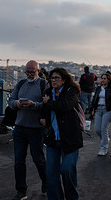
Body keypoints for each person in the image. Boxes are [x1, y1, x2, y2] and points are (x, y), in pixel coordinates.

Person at [40, 68, 83, 200]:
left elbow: (64, 106)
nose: (53, 80)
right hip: (53, 137)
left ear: (64, 79)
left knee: (67, 170)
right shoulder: (48, 92)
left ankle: (72, 197)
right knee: (51, 173)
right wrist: (42, 119)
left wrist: (49, 102)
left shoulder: (71, 92)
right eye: (51, 78)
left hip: (70, 138)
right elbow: (44, 110)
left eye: (56, 78)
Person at [8, 60, 48, 200]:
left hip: (36, 129)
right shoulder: (20, 84)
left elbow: (46, 105)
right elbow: (11, 101)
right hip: (19, 127)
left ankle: (46, 181)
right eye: (28, 72)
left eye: (32, 72)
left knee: (38, 158)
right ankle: (21, 191)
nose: (30, 74)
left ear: (38, 71)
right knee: (19, 161)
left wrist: (33, 105)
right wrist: (17, 104)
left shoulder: (43, 84)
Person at [90, 73, 111, 156]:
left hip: (107, 110)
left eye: (105, 78)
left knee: (104, 129)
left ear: (109, 80)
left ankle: (104, 147)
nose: (103, 80)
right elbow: (94, 99)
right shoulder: (98, 88)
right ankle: (105, 140)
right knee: (97, 129)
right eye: (102, 78)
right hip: (98, 109)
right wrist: (92, 110)